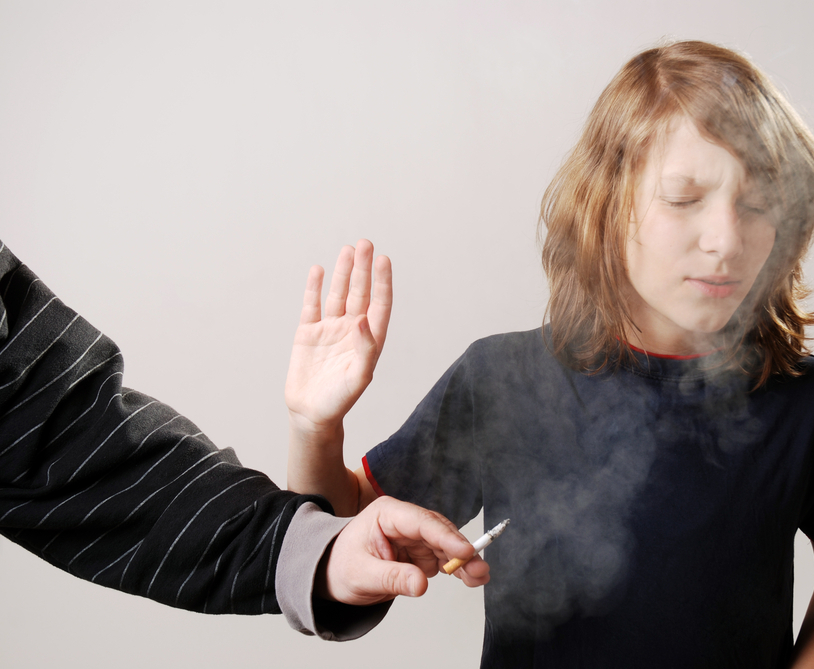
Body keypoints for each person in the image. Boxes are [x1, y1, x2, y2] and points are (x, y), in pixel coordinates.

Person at [284, 41, 814, 667]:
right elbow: (339, 534)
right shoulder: (502, 381)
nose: (726, 240)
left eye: (759, 204)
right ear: (606, 206)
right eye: (684, 200)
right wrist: (317, 427)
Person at [0, 239, 487, 642]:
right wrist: (314, 430)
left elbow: (57, 429)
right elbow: (357, 520)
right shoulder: (496, 379)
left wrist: (312, 546)